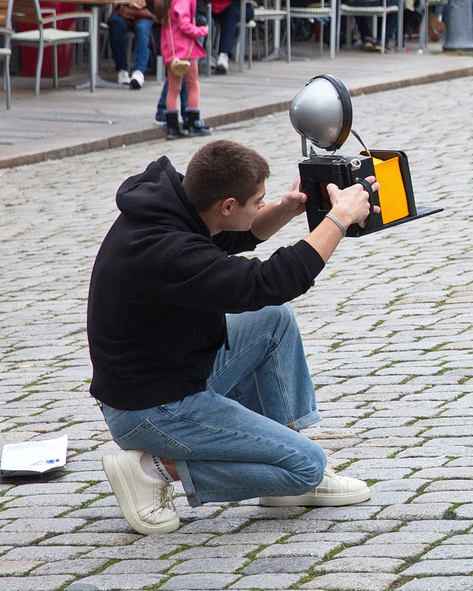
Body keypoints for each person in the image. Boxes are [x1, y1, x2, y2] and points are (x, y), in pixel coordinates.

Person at [88, 140, 378, 536]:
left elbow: (226, 237)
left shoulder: (174, 203)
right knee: (306, 466)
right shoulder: (167, 251)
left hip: (174, 374)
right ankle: (150, 468)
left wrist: (283, 210)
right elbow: (268, 283)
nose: (262, 205)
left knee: (272, 320)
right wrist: (338, 220)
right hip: (150, 410)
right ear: (227, 204)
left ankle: (284, 451)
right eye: (257, 201)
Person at [156, 0, 211, 139]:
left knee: (174, 88)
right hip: (185, 48)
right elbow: (184, 24)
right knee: (193, 85)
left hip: (172, 49)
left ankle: (172, 126)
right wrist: (201, 31)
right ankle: (193, 122)